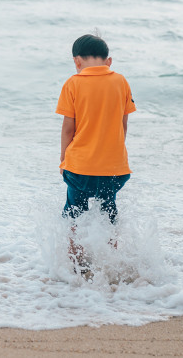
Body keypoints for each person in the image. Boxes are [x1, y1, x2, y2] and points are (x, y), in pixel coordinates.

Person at [55, 33, 136, 275]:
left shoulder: (73, 83)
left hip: (80, 166)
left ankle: (77, 264)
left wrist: (63, 158)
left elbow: (69, 127)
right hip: (115, 167)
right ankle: (109, 261)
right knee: (108, 210)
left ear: (76, 61)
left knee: (74, 214)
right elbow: (123, 124)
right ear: (108, 61)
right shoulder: (121, 81)